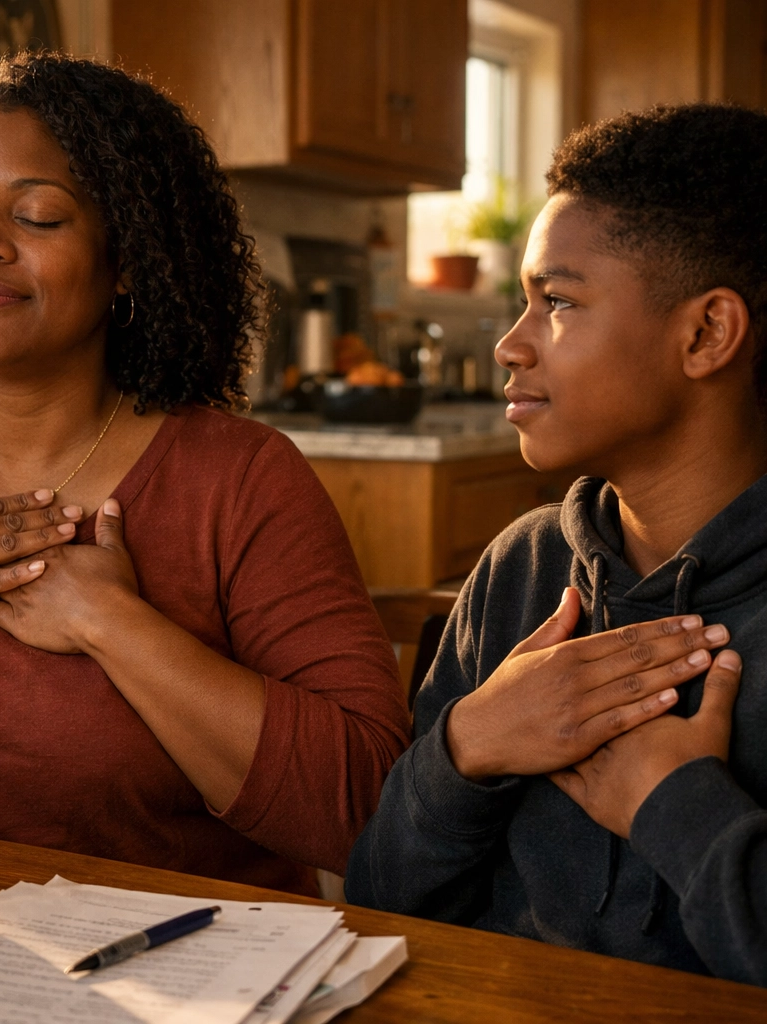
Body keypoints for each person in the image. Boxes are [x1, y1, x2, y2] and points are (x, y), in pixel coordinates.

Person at [0, 52, 409, 896]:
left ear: (127, 257)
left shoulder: (239, 480)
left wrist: (111, 624)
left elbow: (364, 812)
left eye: (39, 217)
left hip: (171, 973)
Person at [345, 104, 767, 985]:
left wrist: (674, 806)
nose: (510, 344)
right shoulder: (521, 569)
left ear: (706, 334)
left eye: (559, 303)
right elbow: (376, 904)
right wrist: (467, 746)